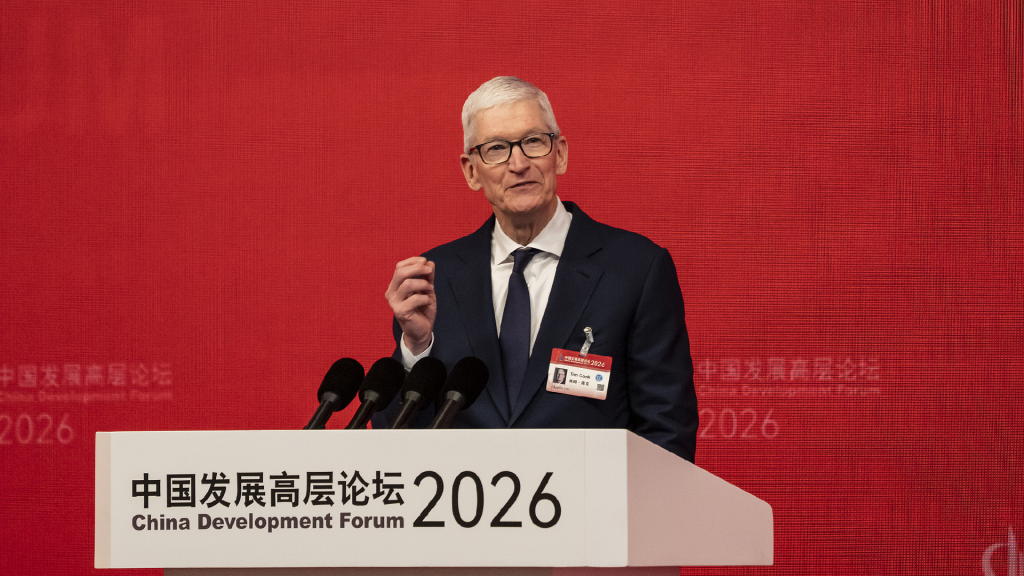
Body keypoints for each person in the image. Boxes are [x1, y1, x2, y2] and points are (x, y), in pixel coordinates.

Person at [374, 76, 698, 462]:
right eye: (496, 148)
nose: (518, 164)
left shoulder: (634, 268)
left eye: (533, 141)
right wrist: (415, 349)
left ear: (559, 153)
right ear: (471, 171)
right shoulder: (434, 278)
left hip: (591, 497)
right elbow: (392, 440)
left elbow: (666, 431)